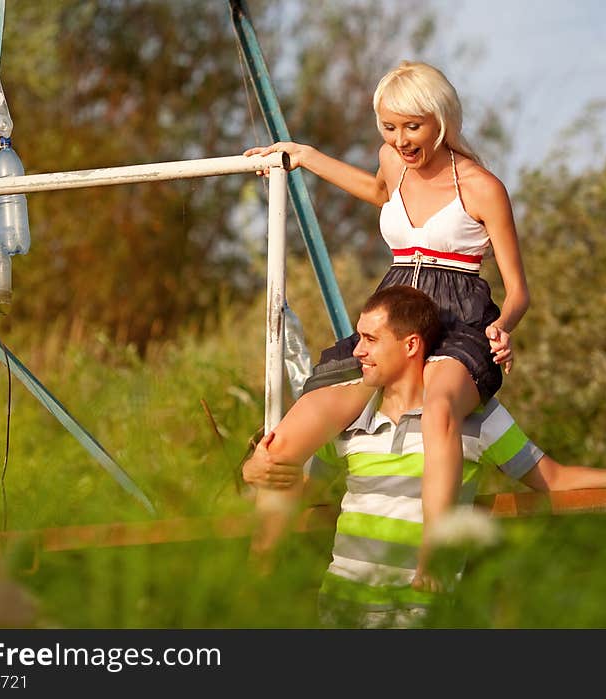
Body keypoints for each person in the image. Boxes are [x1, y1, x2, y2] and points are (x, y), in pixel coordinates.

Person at [242, 285, 606, 628]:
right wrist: (255, 468)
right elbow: (303, 491)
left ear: (410, 345)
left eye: (369, 339)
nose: (356, 350)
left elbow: (554, 478)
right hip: (341, 604)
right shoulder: (348, 418)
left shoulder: (478, 419)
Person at [244, 61, 529, 586]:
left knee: (439, 402)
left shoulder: (482, 187)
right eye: (389, 127)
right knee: (288, 437)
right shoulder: (391, 163)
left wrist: (502, 327)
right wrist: (303, 156)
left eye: (412, 127)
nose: (399, 140)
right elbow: (378, 193)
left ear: (441, 120)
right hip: (394, 309)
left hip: (460, 315)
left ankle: (434, 555)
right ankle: (257, 575)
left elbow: (519, 290)